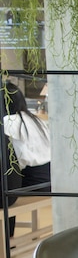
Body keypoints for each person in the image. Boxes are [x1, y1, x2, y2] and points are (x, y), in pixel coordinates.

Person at [2, 82, 51, 238]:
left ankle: (7, 237)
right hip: (49, 181)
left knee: (7, 185)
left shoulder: (9, 122)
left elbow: (14, 161)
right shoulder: (36, 120)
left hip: (32, 182)